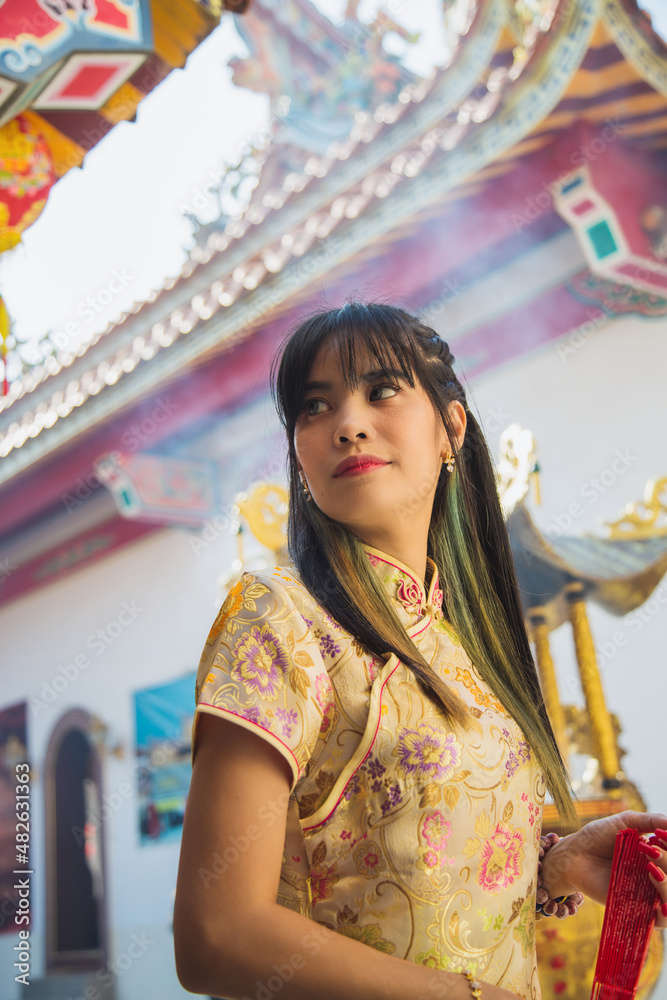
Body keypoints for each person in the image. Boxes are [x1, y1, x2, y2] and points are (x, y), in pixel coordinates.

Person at [173, 302, 667, 1000]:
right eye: (314, 407)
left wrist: (549, 868)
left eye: (381, 390)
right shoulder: (279, 620)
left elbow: (413, 883)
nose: (347, 422)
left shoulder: (472, 645)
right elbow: (216, 937)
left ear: (451, 428)